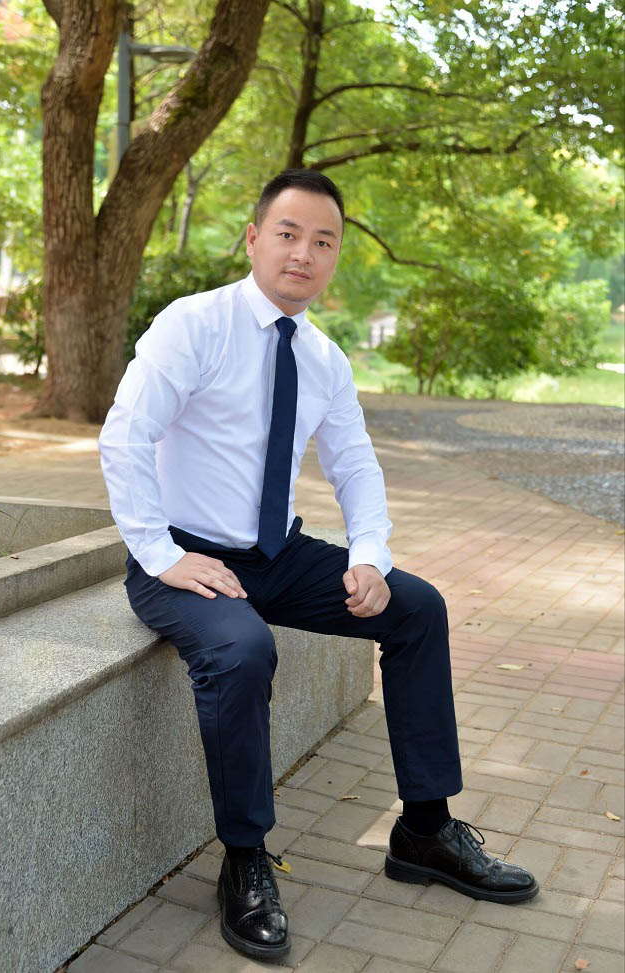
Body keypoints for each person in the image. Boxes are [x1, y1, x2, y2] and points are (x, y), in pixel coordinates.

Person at [97, 168, 538, 962]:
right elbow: (125, 437)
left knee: (417, 607)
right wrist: (161, 554)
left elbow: (356, 466)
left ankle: (425, 829)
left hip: (278, 552)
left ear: (334, 258)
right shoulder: (193, 325)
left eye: (323, 241)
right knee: (243, 648)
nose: (303, 253)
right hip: (183, 555)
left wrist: (369, 557)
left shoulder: (325, 359)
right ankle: (244, 858)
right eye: (289, 234)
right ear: (254, 239)